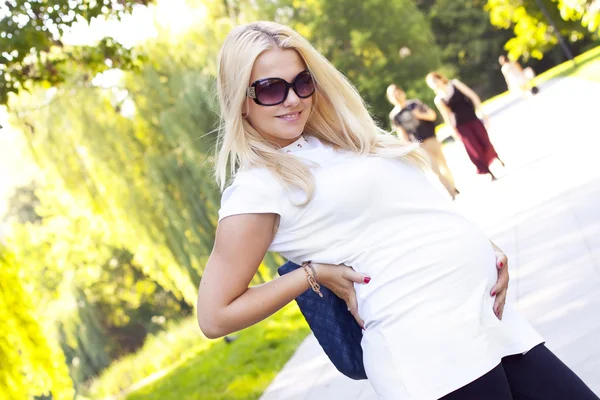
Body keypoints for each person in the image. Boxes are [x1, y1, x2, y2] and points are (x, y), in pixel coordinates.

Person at [197, 21, 599, 400]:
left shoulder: (341, 140)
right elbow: (215, 316)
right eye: (271, 89)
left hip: (489, 321)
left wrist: (484, 248)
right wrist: (311, 275)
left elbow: (404, 211)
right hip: (429, 354)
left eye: (303, 83)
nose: (293, 99)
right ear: (241, 99)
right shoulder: (256, 189)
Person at [426, 72, 505, 181]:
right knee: (474, 148)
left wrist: (482, 113)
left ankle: (495, 157)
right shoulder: (439, 99)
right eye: (432, 83)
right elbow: (447, 116)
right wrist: (453, 130)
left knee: (484, 141)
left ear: (440, 78)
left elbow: (472, 96)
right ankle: (488, 171)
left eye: (435, 81)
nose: (435, 84)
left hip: (472, 118)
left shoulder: (454, 84)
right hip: (461, 126)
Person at [387, 84, 459, 199]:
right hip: (418, 144)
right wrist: (407, 148)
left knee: (443, 163)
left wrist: (419, 115)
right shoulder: (395, 116)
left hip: (431, 137)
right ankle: (451, 192)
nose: (397, 96)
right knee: (435, 169)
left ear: (402, 92)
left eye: (398, 92)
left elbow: (432, 115)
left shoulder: (414, 104)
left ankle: (453, 185)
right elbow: (402, 134)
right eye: (393, 95)